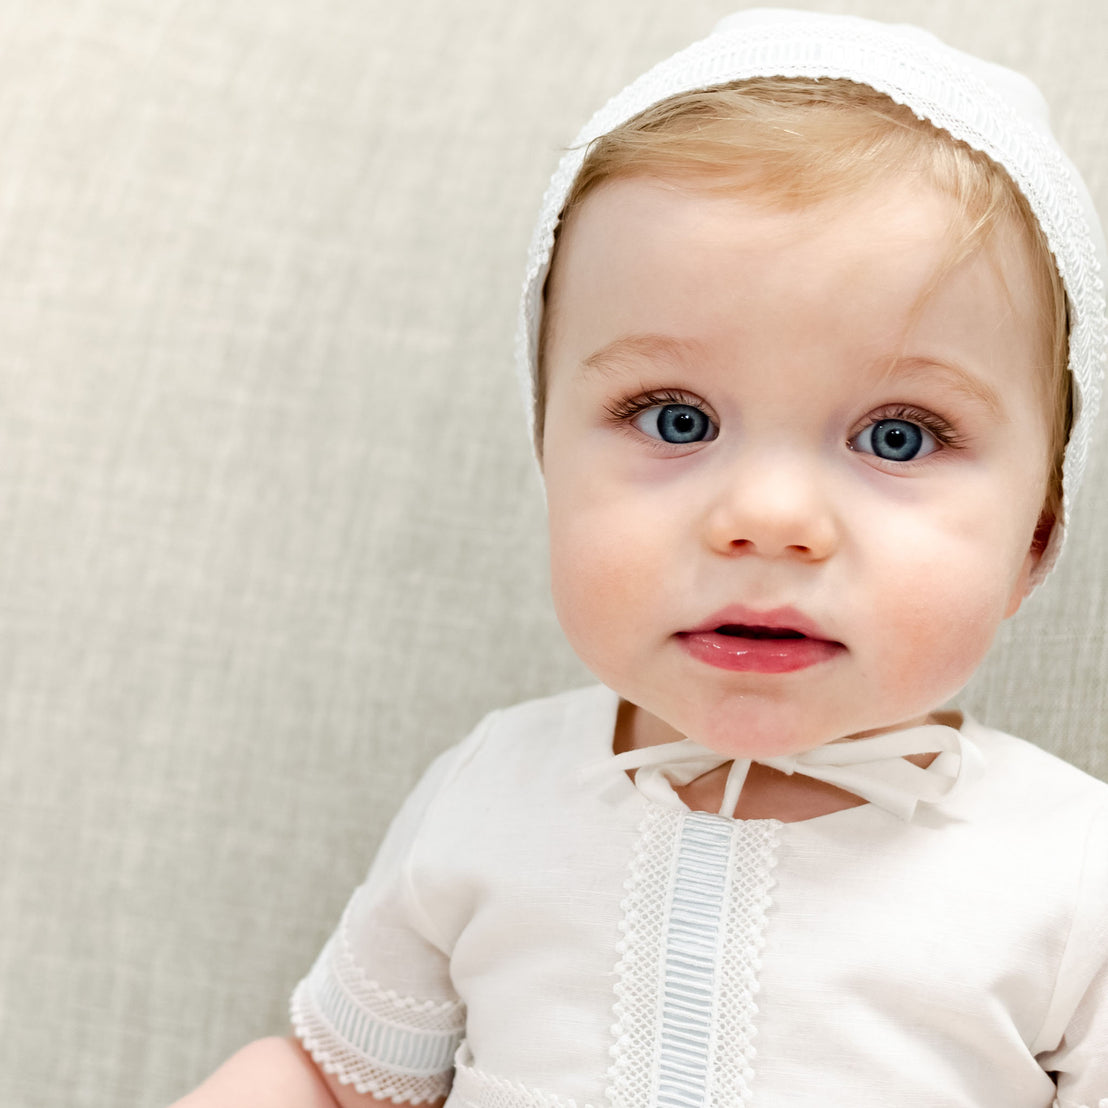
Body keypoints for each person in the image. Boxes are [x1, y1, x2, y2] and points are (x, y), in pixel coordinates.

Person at [172, 9, 1108, 1107]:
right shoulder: (497, 788)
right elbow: (342, 1083)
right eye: (673, 419)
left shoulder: (1069, 875)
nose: (765, 517)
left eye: (897, 435)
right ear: (546, 461)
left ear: (1035, 538)